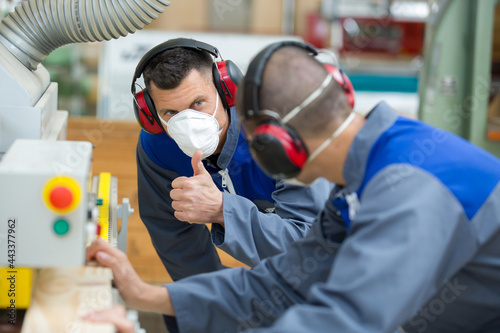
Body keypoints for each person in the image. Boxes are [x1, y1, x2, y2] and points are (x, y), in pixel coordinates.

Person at [88, 41, 500, 332]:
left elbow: (343, 319)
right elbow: (283, 282)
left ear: (275, 143)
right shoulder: (356, 185)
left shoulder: (407, 186)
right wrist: (147, 296)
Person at [132, 38, 332, 281]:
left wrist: (221, 210)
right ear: (152, 116)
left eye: (198, 103)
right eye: (171, 113)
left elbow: (309, 245)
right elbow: (176, 242)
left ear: (226, 89)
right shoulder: (158, 147)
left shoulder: (283, 125)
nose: (188, 123)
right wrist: (213, 303)